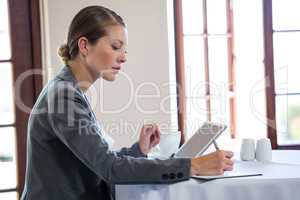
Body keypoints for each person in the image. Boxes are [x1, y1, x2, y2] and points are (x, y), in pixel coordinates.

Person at [21, 5, 234, 200]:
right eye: (115, 47)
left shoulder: (70, 90)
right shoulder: (64, 96)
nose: (123, 58)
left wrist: (138, 150)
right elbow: (110, 168)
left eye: (125, 50)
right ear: (84, 45)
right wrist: (192, 166)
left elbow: (96, 161)